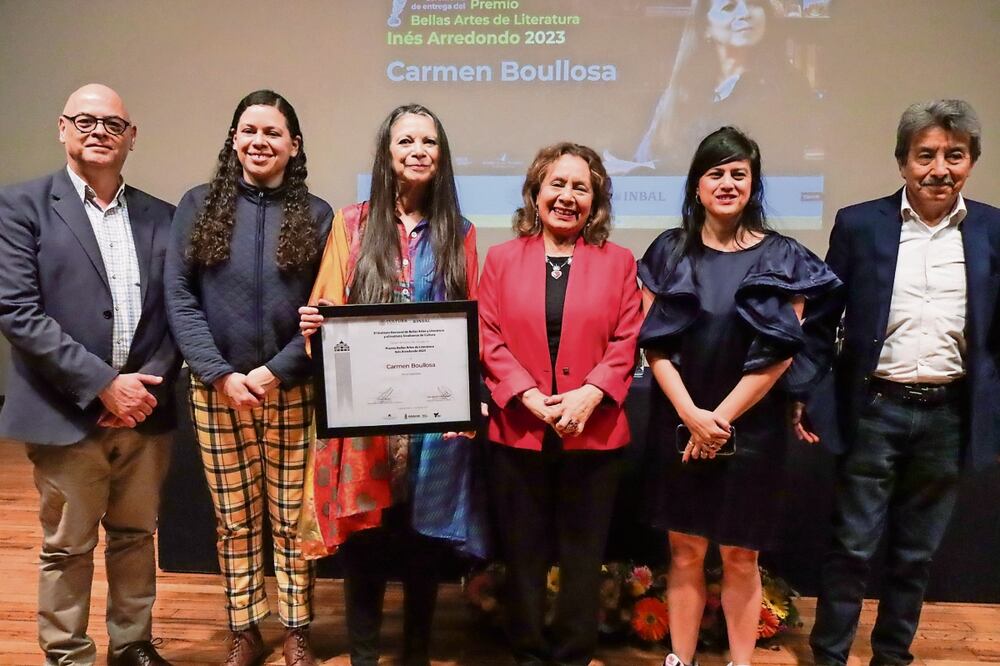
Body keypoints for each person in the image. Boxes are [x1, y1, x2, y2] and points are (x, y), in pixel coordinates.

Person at [805, 99, 1000, 666]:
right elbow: (820, 322)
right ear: (902, 163)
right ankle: (831, 656)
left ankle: (892, 655)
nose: (940, 168)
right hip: (874, 409)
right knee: (852, 547)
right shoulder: (859, 224)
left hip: (949, 412)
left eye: (954, 155)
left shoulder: (993, 229)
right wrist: (811, 396)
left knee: (916, 553)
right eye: (926, 155)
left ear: (971, 162)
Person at [637, 126, 840, 666]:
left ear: (753, 183)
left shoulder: (785, 257)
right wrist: (692, 416)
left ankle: (739, 662)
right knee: (682, 552)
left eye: (738, 174)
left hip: (751, 427)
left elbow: (781, 354)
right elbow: (653, 346)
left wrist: (717, 421)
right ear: (696, 184)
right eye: (715, 173)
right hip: (679, 419)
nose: (726, 184)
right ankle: (679, 659)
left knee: (741, 556)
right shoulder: (667, 251)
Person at [297, 103, 484, 666]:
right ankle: (363, 656)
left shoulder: (461, 232)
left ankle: (417, 655)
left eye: (429, 141)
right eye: (406, 141)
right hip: (366, 420)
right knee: (367, 541)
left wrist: (468, 396)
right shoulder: (351, 225)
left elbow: (474, 323)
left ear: (441, 155)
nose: (418, 150)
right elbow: (324, 311)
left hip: (433, 420)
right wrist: (318, 324)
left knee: (423, 544)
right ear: (388, 153)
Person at [0, 84, 179, 665]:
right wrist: (103, 383)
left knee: (135, 538)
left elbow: (178, 314)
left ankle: (132, 645)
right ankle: (67, 653)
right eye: (85, 120)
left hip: (144, 412)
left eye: (112, 123)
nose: (98, 130)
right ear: (62, 128)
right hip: (64, 409)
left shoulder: (164, 216)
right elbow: (17, 311)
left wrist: (142, 387)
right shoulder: (20, 206)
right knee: (67, 545)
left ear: (132, 137)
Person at [165, 90, 332, 666]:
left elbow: (322, 309)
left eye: (273, 133)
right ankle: (243, 626)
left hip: (291, 387)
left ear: (294, 145)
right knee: (235, 519)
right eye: (249, 130)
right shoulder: (197, 205)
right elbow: (179, 298)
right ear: (234, 139)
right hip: (217, 393)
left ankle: (296, 627)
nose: (259, 142)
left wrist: (273, 372)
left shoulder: (317, 215)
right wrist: (218, 374)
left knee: (291, 518)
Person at [478, 142, 643, 666]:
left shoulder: (619, 262)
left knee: (582, 555)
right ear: (535, 192)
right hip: (518, 430)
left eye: (580, 187)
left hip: (592, 433)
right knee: (522, 556)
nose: (567, 196)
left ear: (595, 202)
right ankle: (527, 652)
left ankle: (573, 654)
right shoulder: (501, 260)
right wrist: (526, 395)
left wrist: (590, 393)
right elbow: (488, 336)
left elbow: (627, 337)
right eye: (557, 184)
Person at [605, 0, 821, 175]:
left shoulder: (787, 84)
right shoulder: (682, 89)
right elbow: (647, 153)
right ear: (706, 27)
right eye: (729, 7)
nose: (745, 13)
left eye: (755, 4)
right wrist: (632, 169)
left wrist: (643, 170)